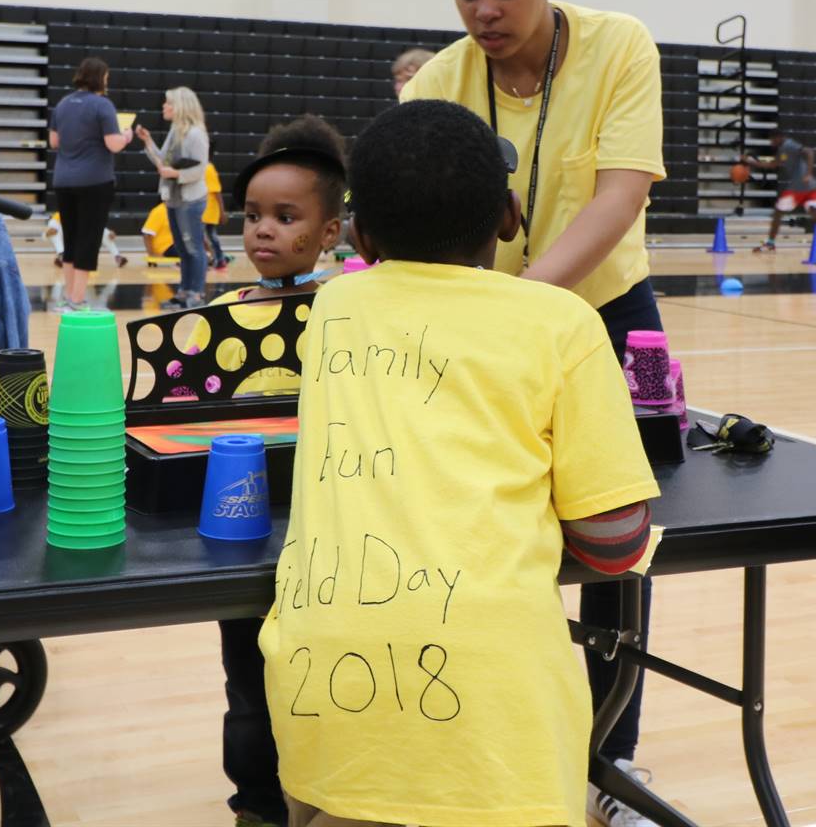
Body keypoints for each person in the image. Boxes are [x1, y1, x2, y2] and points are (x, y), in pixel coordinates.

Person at [261, 99, 658, 827]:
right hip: (496, 708)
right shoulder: (561, 323)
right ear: (509, 216)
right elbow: (614, 544)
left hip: (320, 688)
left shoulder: (333, 309)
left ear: (357, 234)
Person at [399, 0, 668, 824]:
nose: (484, 10)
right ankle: (478, 740)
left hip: (601, 319)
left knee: (614, 551)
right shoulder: (436, 78)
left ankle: (610, 771)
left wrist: (521, 302)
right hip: (479, 335)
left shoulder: (620, 46)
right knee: (480, 538)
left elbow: (620, 196)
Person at [184, 115, 348, 827]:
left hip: (328, 534)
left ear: (331, 232)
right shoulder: (219, 310)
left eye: (286, 217)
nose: (263, 231)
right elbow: (185, 405)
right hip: (244, 531)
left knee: (327, 679)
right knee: (246, 683)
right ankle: (255, 804)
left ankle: (327, 794)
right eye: (253, 216)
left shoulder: (348, 309)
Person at [50, 56, 130, 311]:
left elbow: (54, 142)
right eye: (106, 77)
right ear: (99, 78)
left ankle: (68, 297)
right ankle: (77, 299)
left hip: (63, 180)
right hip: (95, 182)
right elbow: (113, 144)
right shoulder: (102, 105)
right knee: (89, 240)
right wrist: (126, 136)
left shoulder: (62, 104)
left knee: (71, 239)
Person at [135, 86, 211, 309]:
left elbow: (200, 170)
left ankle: (196, 294)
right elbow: (162, 161)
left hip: (191, 200)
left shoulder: (197, 133)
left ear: (180, 106)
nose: (164, 106)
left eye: (168, 103)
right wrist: (148, 141)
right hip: (174, 199)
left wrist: (176, 174)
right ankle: (183, 291)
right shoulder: (175, 131)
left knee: (194, 248)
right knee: (181, 247)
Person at [742, 131, 816, 256]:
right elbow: (772, 165)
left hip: (798, 188)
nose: (771, 142)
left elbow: (809, 152)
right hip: (809, 187)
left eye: (772, 139)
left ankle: (770, 243)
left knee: (778, 212)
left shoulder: (789, 145)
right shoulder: (782, 150)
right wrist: (751, 162)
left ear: (779, 137)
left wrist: (808, 173)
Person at [203, 161, 231, 270]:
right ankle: (216, 259)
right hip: (201, 208)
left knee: (209, 237)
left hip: (208, 209)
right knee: (206, 236)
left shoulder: (208, 168)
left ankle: (219, 260)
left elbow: (217, 192)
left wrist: (222, 211)